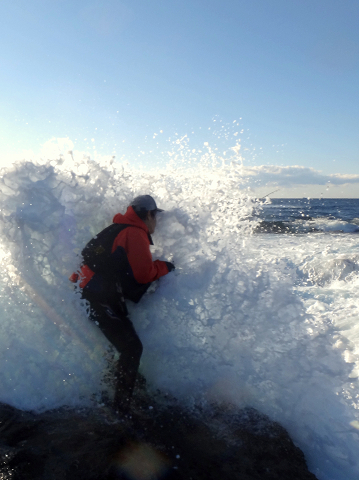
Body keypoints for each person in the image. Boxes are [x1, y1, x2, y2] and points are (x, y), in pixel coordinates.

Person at [70, 195, 174, 411]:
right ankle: (121, 409)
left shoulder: (118, 228)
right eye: (156, 216)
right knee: (131, 348)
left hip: (85, 292)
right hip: (95, 295)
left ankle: (121, 390)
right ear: (148, 214)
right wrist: (167, 267)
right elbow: (144, 274)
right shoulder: (135, 233)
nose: (157, 222)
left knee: (119, 344)